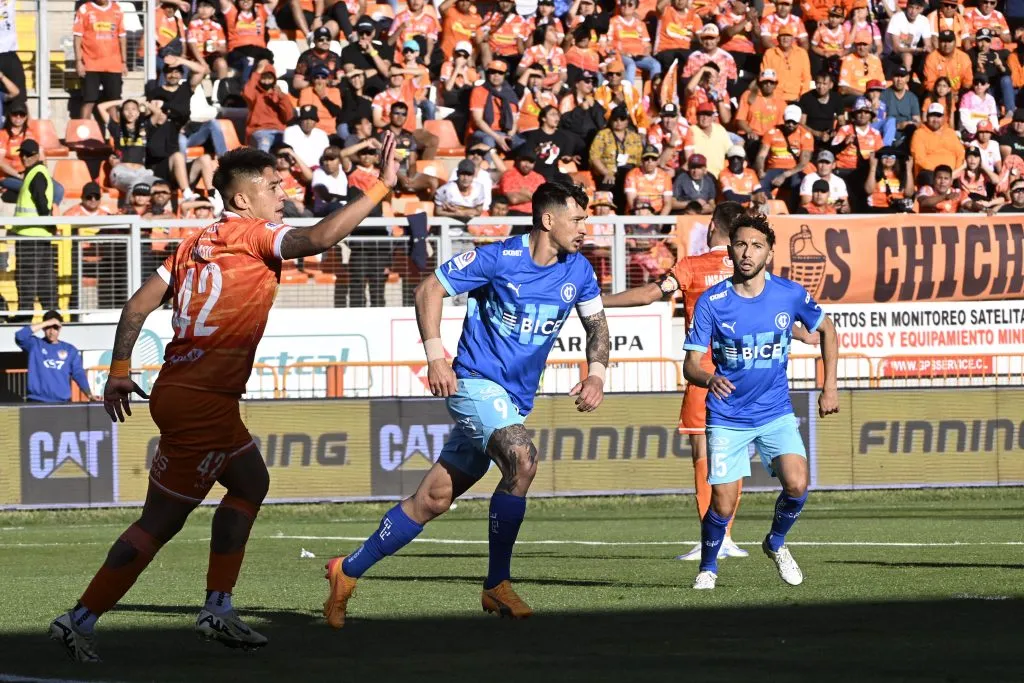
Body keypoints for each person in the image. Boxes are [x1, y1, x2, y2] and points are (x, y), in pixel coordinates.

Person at [49, 134, 402, 663]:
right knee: (160, 522)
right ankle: (79, 620)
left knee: (250, 480)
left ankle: (217, 605)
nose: (282, 192)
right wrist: (380, 188)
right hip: (202, 400)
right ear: (242, 199)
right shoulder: (255, 235)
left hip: (185, 391)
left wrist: (120, 369)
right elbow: (321, 238)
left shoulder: (192, 244)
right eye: (272, 186)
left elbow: (136, 307)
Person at [321, 180, 609, 627]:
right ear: (547, 220)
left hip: (512, 399)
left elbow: (597, 325)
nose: (585, 227)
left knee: (432, 499)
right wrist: (436, 357)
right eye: (577, 219)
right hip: (474, 384)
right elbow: (427, 290)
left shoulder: (579, 271)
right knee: (523, 459)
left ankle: (347, 569)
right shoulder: (497, 258)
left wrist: (596, 372)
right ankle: (497, 584)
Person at [684, 213, 840, 591]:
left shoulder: (788, 294)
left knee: (798, 483)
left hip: (775, 412)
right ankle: (708, 567)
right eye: (740, 244)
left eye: (756, 245)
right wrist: (709, 377)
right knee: (722, 505)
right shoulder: (713, 301)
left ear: (769, 252)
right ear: (730, 250)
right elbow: (690, 365)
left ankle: (775, 542)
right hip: (727, 416)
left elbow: (828, 328)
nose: (747, 252)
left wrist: (829, 386)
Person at [12, 139, 57, 316]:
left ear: (37, 155)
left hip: (30, 237)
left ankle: (25, 317)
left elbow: (41, 202)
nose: (25, 158)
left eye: (29, 154)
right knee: (45, 281)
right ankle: (52, 317)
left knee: (26, 280)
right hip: (39, 235)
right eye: (23, 154)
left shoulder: (36, 174)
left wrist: (49, 221)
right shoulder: (35, 173)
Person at [15, 311, 98, 403]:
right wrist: (46, 323)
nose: (51, 332)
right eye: (48, 328)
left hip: (61, 402)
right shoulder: (35, 345)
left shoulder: (70, 350)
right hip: (37, 401)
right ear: (43, 328)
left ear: (60, 328)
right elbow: (20, 336)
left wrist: (89, 394)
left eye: (55, 328)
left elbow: (78, 374)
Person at [73, 0, 127, 122]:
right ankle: (83, 135)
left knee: (113, 103)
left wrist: (124, 62)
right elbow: (77, 37)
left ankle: (115, 139)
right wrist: (78, 61)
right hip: (90, 64)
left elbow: (122, 37)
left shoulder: (117, 9)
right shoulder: (84, 9)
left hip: (113, 64)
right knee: (89, 101)